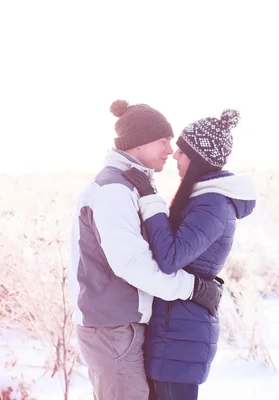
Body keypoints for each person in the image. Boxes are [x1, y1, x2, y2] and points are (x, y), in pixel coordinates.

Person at [68, 100, 225, 400]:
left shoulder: (130, 186)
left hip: (123, 327)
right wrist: (193, 288)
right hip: (112, 329)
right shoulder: (113, 190)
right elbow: (133, 265)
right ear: (138, 143)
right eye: (163, 142)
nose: (170, 150)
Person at [122, 109, 258, 400]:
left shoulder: (212, 204)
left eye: (181, 151)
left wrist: (149, 198)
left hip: (182, 335)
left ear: (197, 158)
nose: (174, 156)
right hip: (175, 328)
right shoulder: (203, 199)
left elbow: (171, 258)